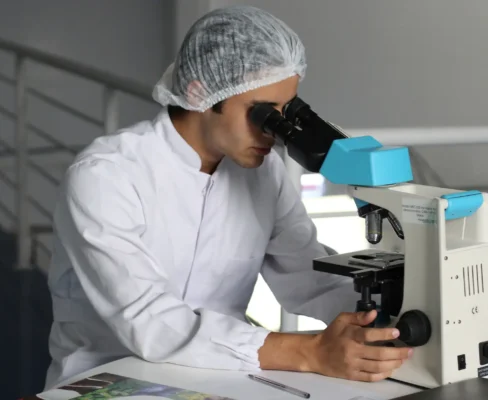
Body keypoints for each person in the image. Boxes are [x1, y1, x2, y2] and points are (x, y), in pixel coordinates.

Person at [44, 5, 412, 390]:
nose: (275, 132)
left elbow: (309, 277)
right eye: (263, 114)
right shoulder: (107, 175)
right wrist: (311, 351)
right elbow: (150, 322)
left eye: (287, 111)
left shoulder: (263, 174)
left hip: (221, 374)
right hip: (107, 379)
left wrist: (386, 321)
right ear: (200, 92)